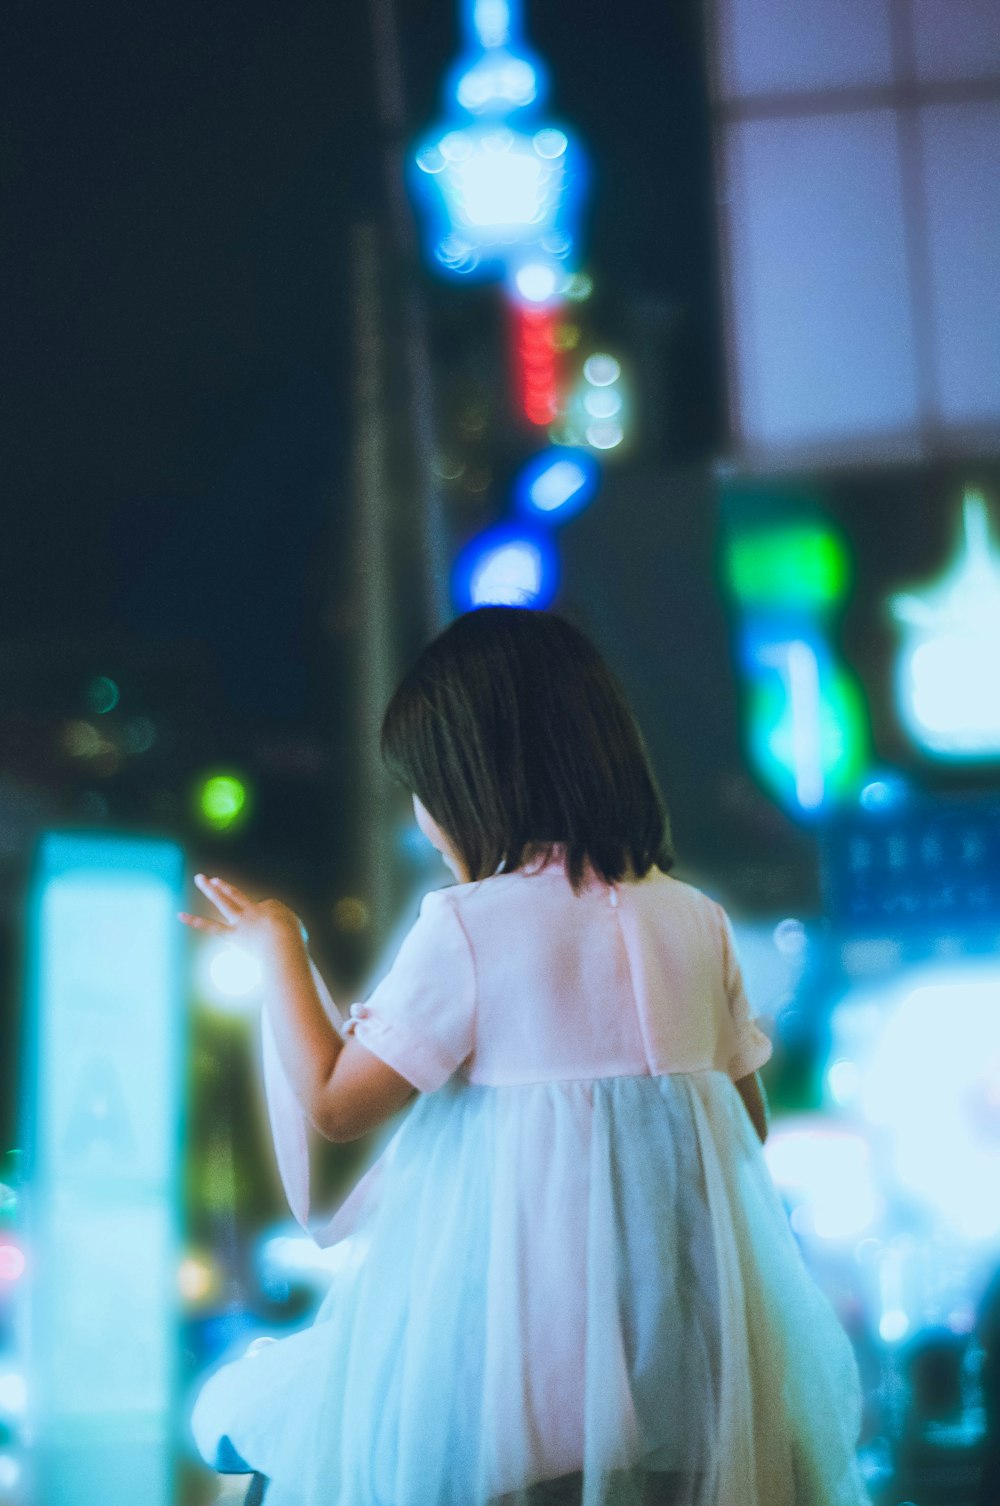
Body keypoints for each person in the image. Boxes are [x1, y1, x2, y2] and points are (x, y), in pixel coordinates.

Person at [181, 607, 870, 1506]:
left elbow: (333, 1105)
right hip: (696, 1382)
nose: (425, 821)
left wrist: (280, 945)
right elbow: (743, 1132)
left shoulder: (469, 927)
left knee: (251, 1421)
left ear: (475, 785)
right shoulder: (695, 922)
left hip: (509, 1381)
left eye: (424, 791)